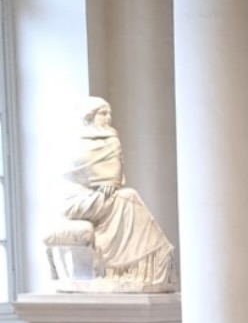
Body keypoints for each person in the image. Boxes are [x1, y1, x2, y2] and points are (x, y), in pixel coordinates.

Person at [48, 98, 176, 290]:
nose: (108, 118)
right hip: (77, 200)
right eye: (102, 113)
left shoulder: (111, 139)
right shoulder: (75, 142)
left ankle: (144, 261)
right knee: (128, 196)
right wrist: (104, 180)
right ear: (90, 116)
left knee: (128, 196)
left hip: (105, 196)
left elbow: (115, 175)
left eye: (109, 113)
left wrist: (108, 181)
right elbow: (74, 175)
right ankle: (141, 261)